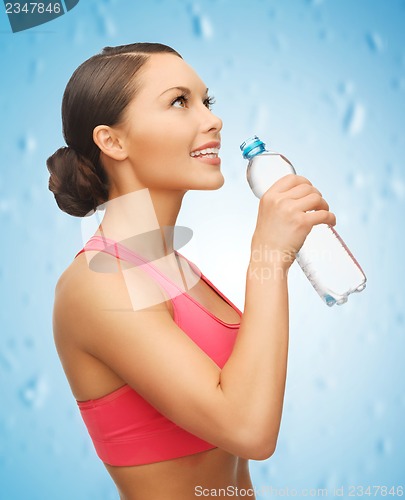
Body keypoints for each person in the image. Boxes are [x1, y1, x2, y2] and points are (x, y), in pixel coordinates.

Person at [46, 42, 336, 500]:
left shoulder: (172, 267)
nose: (213, 120)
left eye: (207, 101)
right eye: (179, 101)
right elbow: (249, 431)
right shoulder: (101, 282)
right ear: (112, 141)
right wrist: (267, 256)